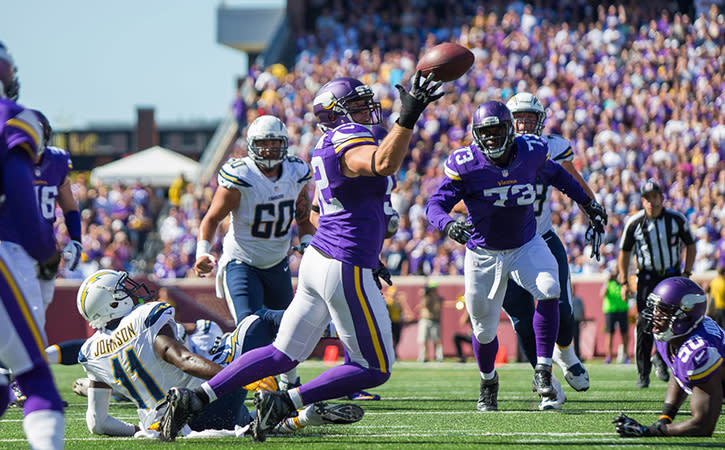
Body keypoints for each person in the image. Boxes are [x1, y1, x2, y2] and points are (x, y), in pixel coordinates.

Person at [158, 71, 444, 442]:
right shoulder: (347, 138)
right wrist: (408, 117)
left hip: (323, 257)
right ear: (334, 114)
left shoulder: (323, 147)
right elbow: (382, 163)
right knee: (374, 367)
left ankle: (196, 397)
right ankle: (288, 402)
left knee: (281, 355)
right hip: (342, 261)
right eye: (355, 106)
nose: (365, 111)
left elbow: (343, 206)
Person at [425, 100, 607, 412]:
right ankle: (488, 380)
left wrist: (587, 203)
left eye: (499, 130)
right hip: (484, 253)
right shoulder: (467, 163)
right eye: (487, 132)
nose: (493, 138)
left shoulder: (531, 151)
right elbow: (434, 205)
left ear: (510, 130)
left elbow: (559, 177)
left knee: (550, 289)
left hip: (526, 242)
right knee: (483, 330)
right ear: (476, 135)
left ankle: (543, 370)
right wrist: (448, 225)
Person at [75, 269, 362, 438]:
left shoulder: (91, 352)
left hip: (166, 424)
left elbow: (97, 423)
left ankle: (302, 416)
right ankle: (318, 346)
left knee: (245, 418)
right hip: (199, 405)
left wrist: (140, 427)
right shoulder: (145, 317)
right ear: (111, 304)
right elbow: (182, 360)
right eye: (122, 290)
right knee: (256, 322)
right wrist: (240, 379)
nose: (132, 292)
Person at [194, 114, 315, 389]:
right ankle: (239, 385)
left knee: (289, 331)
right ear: (251, 145)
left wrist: (307, 243)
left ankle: (288, 386)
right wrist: (202, 252)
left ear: (285, 145)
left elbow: (304, 217)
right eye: (264, 143)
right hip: (242, 263)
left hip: (277, 264)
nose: (270, 149)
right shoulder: (241, 177)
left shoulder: (296, 173)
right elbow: (211, 219)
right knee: (250, 329)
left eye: (275, 143)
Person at [500, 92, 598, 410]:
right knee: (521, 319)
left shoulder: (552, 146)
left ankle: (567, 355)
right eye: (520, 118)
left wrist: (593, 208)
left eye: (531, 118)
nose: (525, 123)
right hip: (502, 245)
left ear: (540, 120)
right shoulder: (493, 149)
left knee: (564, 311)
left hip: (542, 236)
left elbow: (572, 180)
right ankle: (547, 384)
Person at [0, 40, 65, 449]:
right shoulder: (11, 119)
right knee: (36, 377)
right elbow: (24, 204)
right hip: (9, 251)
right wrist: (47, 251)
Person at [613, 277, 724, 437]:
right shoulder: (674, 335)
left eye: (663, 310)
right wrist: (665, 418)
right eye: (655, 308)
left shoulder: (700, 351)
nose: (655, 315)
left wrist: (649, 431)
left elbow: (703, 425)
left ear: (686, 315)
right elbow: (679, 371)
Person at [618, 179, 696, 388]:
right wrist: (624, 281)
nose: (652, 201)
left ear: (662, 198)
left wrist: (686, 273)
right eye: (647, 198)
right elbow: (624, 252)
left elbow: (690, 244)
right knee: (645, 324)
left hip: (670, 277)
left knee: (672, 323)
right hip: (646, 279)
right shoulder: (635, 223)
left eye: (655, 196)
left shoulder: (676, 220)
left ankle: (661, 359)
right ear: (642, 201)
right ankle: (643, 373)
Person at [31, 110, 83, 319]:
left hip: (45, 247)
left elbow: (69, 206)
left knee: (40, 312)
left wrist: (77, 239)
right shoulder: (8, 161)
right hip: (11, 245)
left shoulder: (56, 161)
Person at [600, 269, 630, 364]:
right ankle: (608, 356)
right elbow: (602, 294)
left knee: (624, 334)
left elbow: (629, 294)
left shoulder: (624, 284)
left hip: (622, 310)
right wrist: (607, 282)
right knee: (609, 333)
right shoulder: (609, 283)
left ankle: (625, 355)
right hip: (610, 311)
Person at [417, 282, 443, 362]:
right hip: (425, 319)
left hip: (434, 320)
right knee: (423, 340)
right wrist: (424, 295)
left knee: (437, 339)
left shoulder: (437, 298)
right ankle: (423, 357)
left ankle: (439, 356)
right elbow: (424, 304)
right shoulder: (426, 297)